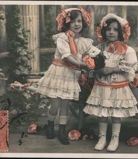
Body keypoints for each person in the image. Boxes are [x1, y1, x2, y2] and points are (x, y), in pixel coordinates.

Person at [37, 7, 100, 145]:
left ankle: (62, 131)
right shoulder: (62, 38)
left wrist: (100, 58)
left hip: (70, 75)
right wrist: (82, 65)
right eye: (72, 22)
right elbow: (66, 56)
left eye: (79, 21)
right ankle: (50, 126)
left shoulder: (83, 41)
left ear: (83, 23)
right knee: (55, 104)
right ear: (67, 23)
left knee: (65, 104)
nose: (76, 24)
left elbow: (95, 52)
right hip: (59, 73)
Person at [83, 13, 138, 151]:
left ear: (121, 32)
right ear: (103, 31)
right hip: (102, 85)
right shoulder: (99, 48)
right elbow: (93, 63)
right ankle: (102, 137)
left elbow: (130, 67)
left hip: (117, 86)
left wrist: (112, 69)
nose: (111, 32)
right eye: (108, 30)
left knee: (115, 113)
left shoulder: (126, 50)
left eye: (115, 30)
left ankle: (115, 138)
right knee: (102, 112)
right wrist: (95, 68)